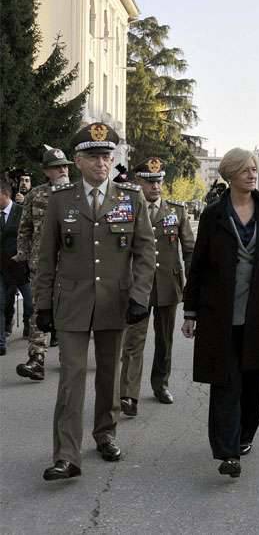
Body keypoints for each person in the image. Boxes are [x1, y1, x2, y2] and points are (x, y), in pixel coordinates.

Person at [36, 123, 156, 481]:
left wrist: (139, 295)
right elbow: (46, 257)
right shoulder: (61, 200)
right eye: (93, 156)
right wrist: (42, 304)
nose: (102, 163)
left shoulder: (130, 198)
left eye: (106, 156)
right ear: (77, 160)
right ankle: (66, 456)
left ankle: (105, 434)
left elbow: (145, 252)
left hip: (114, 301)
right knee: (71, 378)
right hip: (71, 302)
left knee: (108, 375)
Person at [181, 148, 259, 478]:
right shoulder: (214, 215)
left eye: (254, 169)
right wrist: (191, 312)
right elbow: (199, 265)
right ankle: (227, 451)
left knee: (251, 380)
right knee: (225, 380)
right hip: (219, 313)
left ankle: (245, 434)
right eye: (245, 170)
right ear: (229, 175)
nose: (251, 174)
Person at [119, 158, 195, 417]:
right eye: (149, 181)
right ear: (138, 182)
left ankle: (161, 384)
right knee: (133, 341)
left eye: (159, 181)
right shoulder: (126, 209)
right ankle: (128, 394)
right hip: (137, 287)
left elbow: (189, 250)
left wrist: (193, 285)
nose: (155, 186)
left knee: (164, 341)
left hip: (167, 286)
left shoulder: (177, 211)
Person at [14, 146, 73, 379]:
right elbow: (25, 229)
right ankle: (36, 359)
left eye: (65, 166)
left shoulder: (77, 194)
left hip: (72, 264)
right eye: (56, 167)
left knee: (69, 311)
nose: (62, 170)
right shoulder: (35, 195)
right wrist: (22, 256)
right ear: (46, 171)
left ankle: (68, 356)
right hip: (42, 264)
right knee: (39, 310)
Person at [0, 181, 29, 356]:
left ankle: (31, 327)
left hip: (20, 267)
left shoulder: (21, 211)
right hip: (1, 268)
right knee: (1, 304)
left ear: (5, 194)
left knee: (30, 302)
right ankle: (1, 342)